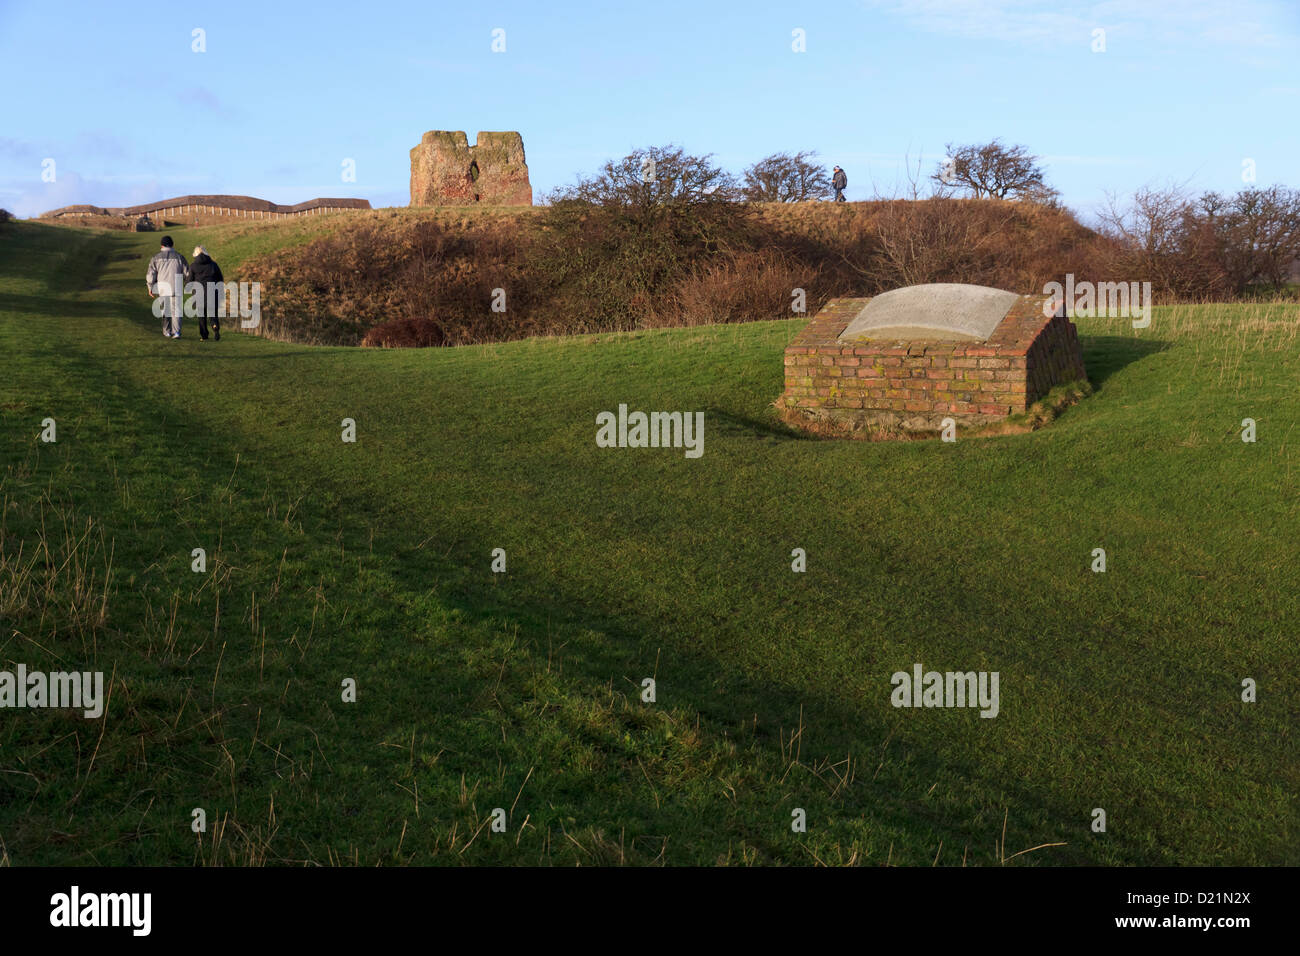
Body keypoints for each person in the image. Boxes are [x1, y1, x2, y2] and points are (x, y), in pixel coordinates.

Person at [145, 236, 188, 337]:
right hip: (176, 287)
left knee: (165, 311)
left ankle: (167, 331)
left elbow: (151, 274)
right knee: (176, 311)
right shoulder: (179, 257)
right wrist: (187, 283)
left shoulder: (156, 258)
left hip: (162, 288)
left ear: (162, 245)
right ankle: (176, 332)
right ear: (172, 245)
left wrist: (150, 287)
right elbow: (187, 273)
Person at [185, 245, 225, 341]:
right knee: (213, 314)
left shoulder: (193, 266)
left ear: (195, 254)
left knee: (201, 316)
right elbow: (220, 279)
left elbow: (189, 281)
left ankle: (204, 336)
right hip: (212, 292)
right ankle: (215, 327)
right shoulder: (213, 264)